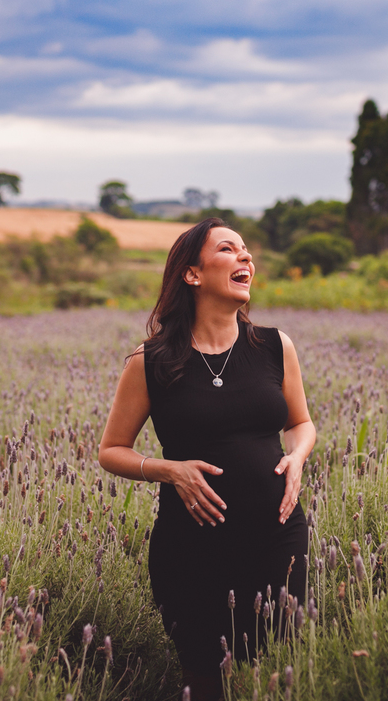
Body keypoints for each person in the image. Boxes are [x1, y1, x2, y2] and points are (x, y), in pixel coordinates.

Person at [98, 218, 316, 700]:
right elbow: (111, 450)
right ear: (192, 274)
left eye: (247, 251)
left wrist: (298, 456)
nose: (246, 258)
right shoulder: (149, 363)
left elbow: (301, 423)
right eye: (228, 249)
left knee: (278, 670)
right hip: (191, 547)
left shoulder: (275, 347)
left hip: (278, 535)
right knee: (204, 677)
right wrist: (168, 469)